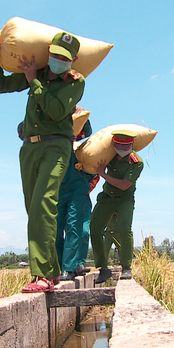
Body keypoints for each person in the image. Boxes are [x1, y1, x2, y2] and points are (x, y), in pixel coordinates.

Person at [0, 31, 86, 293]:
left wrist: (33, 82)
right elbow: (2, 86)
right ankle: (51, 273)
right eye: (53, 55)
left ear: (72, 61)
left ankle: (40, 275)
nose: (57, 61)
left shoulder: (75, 82)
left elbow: (56, 110)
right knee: (34, 209)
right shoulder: (36, 72)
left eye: (63, 58)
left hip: (56, 146)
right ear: (48, 52)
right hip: (29, 148)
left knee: (43, 204)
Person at [90, 130, 144, 283]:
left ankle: (126, 267)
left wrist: (103, 174)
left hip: (124, 199)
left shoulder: (136, 162)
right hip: (106, 198)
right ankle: (103, 268)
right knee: (95, 229)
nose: (121, 149)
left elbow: (124, 185)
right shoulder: (109, 155)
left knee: (125, 229)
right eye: (118, 146)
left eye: (125, 147)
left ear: (131, 145)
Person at [56, 113, 100, 281]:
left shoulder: (80, 150)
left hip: (77, 190)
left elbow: (86, 130)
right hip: (59, 190)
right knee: (56, 228)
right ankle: (61, 265)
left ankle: (70, 266)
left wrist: (81, 114)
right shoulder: (54, 146)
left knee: (76, 227)